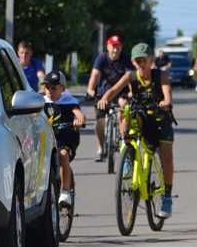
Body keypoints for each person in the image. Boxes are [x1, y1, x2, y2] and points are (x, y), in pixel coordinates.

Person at [98, 43, 175, 218]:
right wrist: (104, 99)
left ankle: (167, 197)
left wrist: (166, 101)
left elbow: (167, 91)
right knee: (125, 114)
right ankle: (128, 153)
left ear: (151, 61)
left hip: (160, 118)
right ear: (133, 62)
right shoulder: (130, 76)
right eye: (137, 60)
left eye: (144, 60)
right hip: (141, 116)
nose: (141, 63)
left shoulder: (160, 75)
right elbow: (113, 89)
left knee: (167, 156)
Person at [41, 71, 85, 207]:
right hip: (47, 138)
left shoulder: (69, 101)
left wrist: (79, 120)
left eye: (54, 87)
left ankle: (65, 192)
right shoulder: (41, 102)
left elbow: (79, 115)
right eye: (47, 87)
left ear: (63, 89)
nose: (50, 91)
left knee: (63, 155)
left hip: (65, 137)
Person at [85, 35, 131, 161]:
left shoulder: (125, 58)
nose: (115, 50)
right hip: (102, 93)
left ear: (121, 47)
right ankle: (101, 148)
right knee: (100, 121)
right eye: (113, 46)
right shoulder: (102, 58)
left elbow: (129, 77)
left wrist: (131, 92)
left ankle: (123, 143)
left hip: (121, 92)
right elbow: (95, 75)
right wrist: (90, 89)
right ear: (108, 46)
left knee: (123, 110)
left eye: (118, 47)